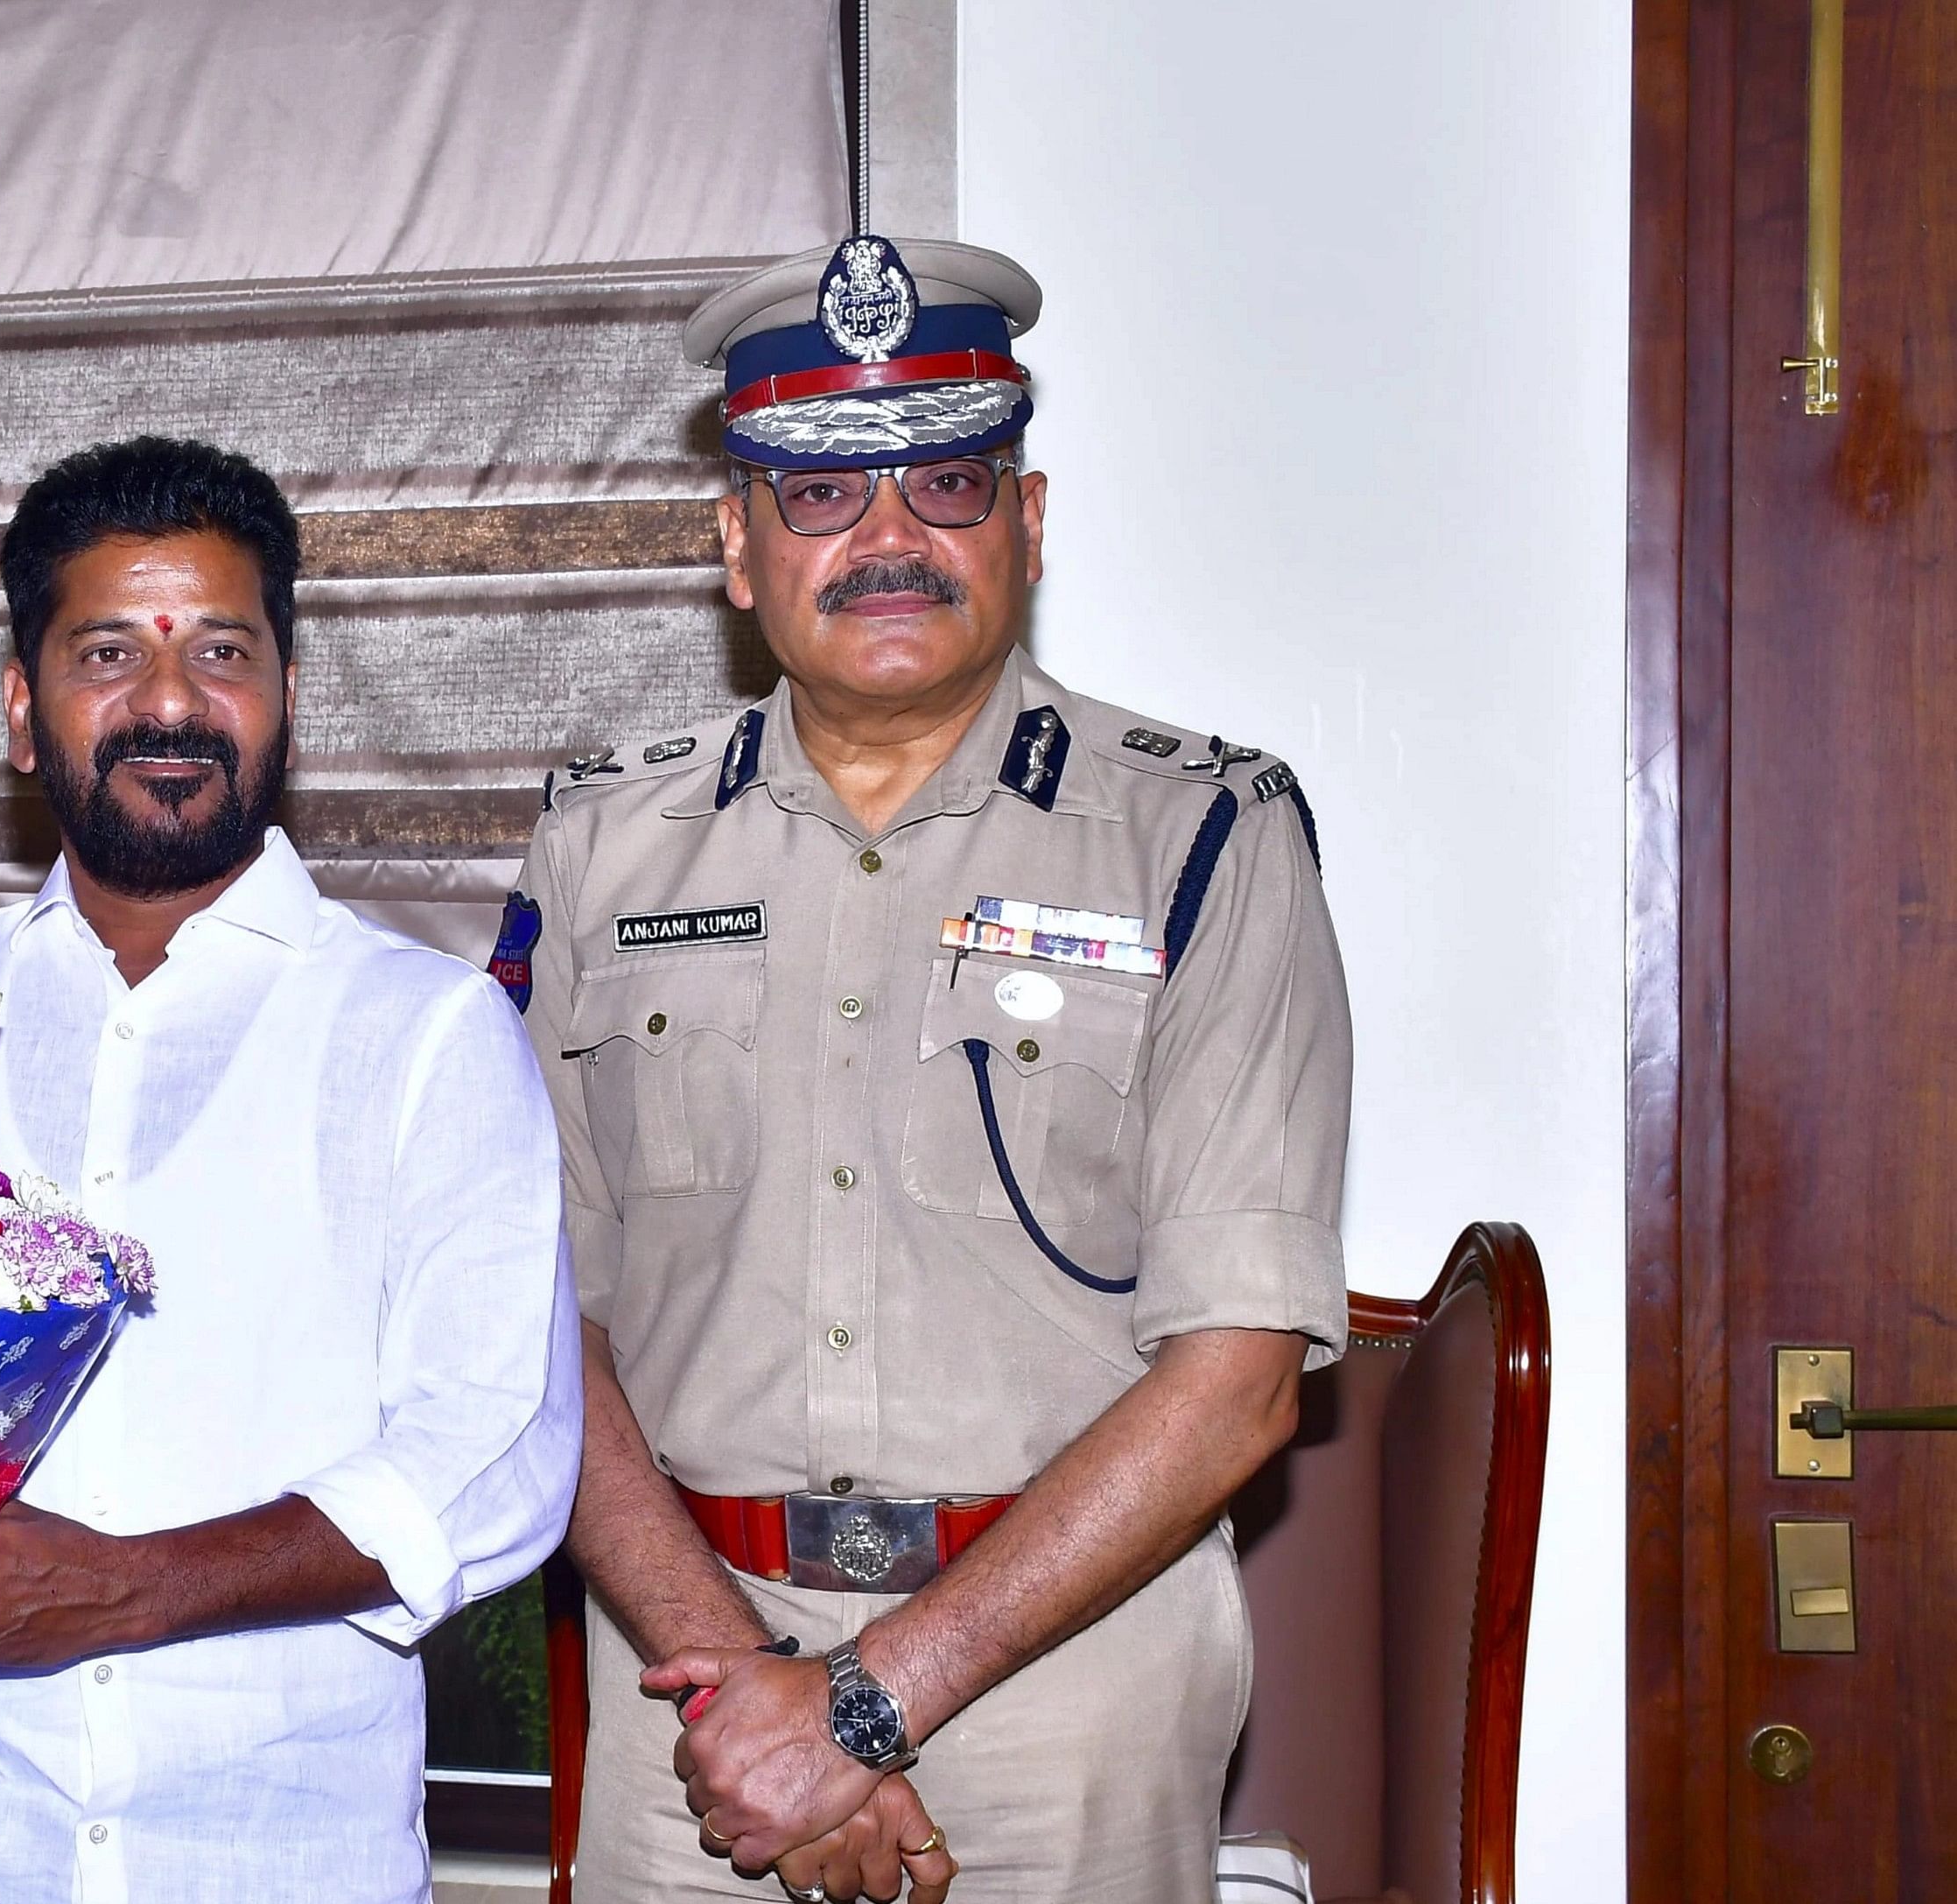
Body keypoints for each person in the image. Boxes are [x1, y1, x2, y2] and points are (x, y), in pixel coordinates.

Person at [513, 235, 1348, 1901]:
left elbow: (1241, 1371)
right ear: (735, 551)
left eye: (947, 482)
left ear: (1026, 529)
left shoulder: (1202, 839)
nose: (888, 540)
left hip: (1068, 1698)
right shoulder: (600, 846)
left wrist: (870, 1704)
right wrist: (753, 1697)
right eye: (819, 497)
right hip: (695, 1703)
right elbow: (531, 1322)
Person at [0, 436, 582, 1901]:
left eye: (222, 649)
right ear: (24, 710)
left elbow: (496, 1457)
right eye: (107, 652)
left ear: (284, 700)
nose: (169, 701)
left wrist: (121, 1593)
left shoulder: (429, 1032)